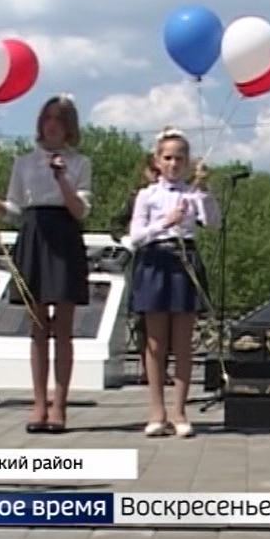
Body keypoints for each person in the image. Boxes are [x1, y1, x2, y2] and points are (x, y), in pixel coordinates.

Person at [0, 94, 92, 434]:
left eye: (59, 120)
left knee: (63, 328)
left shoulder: (80, 163)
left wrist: (62, 179)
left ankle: (59, 405)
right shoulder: (24, 162)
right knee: (37, 326)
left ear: (69, 127)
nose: (52, 125)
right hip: (34, 235)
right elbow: (14, 210)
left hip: (64, 234)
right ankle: (39, 404)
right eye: (48, 118)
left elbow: (81, 210)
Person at [129, 127, 219, 437]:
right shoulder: (147, 195)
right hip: (156, 260)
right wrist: (164, 223)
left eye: (180, 158)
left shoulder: (193, 194)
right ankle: (157, 412)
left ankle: (179, 411)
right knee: (155, 343)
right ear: (157, 161)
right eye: (167, 158)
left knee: (183, 342)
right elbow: (135, 237)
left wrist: (204, 191)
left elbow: (213, 222)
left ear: (188, 162)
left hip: (185, 261)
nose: (174, 164)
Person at [110, 153, 169, 385]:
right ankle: (148, 368)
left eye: (159, 171)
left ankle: (162, 369)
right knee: (143, 317)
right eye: (152, 171)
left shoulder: (173, 195)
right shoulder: (137, 197)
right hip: (144, 260)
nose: (156, 175)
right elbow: (115, 224)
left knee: (169, 315)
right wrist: (126, 239)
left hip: (169, 258)